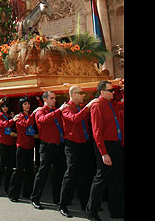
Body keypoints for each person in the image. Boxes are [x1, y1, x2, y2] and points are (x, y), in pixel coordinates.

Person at [58, 86, 99, 218]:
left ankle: (84, 202)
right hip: (72, 145)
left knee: (85, 174)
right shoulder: (66, 108)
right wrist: (88, 106)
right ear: (73, 94)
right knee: (70, 175)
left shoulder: (79, 107)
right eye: (81, 93)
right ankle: (62, 204)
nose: (83, 95)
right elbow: (75, 119)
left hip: (84, 143)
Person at [86, 80, 124, 220]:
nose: (113, 92)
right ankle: (91, 211)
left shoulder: (111, 104)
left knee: (116, 179)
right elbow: (97, 131)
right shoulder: (97, 105)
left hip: (115, 145)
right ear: (102, 92)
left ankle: (115, 211)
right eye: (110, 90)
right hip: (104, 145)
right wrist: (103, 153)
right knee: (101, 179)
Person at [30, 91, 66, 210]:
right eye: (52, 98)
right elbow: (43, 120)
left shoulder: (55, 111)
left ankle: (57, 199)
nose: (54, 100)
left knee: (58, 174)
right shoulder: (40, 111)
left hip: (58, 146)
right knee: (43, 173)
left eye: (55, 98)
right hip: (47, 147)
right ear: (45, 100)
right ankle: (35, 198)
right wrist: (59, 111)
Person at [7, 97, 36, 203]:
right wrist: (33, 115)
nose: (27, 106)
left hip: (30, 145)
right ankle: (13, 194)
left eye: (28, 103)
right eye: (25, 104)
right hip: (21, 146)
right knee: (19, 171)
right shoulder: (19, 116)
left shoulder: (30, 115)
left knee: (30, 171)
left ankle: (27, 193)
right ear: (21, 106)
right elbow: (26, 124)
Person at [0, 97, 16, 198]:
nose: (5, 108)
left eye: (6, 106)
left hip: (12, 143)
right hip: (3, 143)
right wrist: (12, 120)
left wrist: (13, 118)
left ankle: (7, 188)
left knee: (10, 167)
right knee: (1, 167)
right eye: (3, 106)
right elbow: (2, 125)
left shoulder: (10, 115)